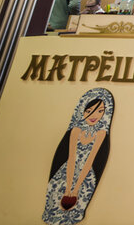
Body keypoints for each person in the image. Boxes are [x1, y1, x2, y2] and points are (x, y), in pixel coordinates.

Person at [42, 88, 114, 225]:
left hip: (86, 174)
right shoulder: (76, 130)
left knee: (78, 202)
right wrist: (68, 187)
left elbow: (90, 161)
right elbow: (71, 158)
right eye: (89, 111)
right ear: (82, 110)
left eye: (100, 111)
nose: (94, 115)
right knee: (56, 196)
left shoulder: (101, 134)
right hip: (67, 171)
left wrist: (75, 189)